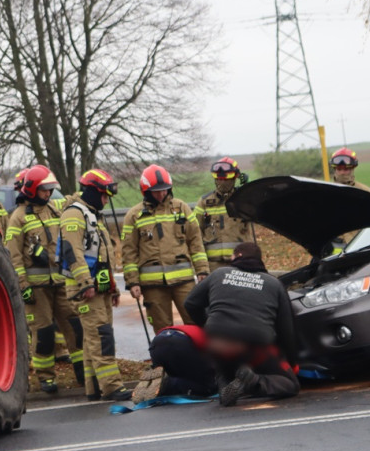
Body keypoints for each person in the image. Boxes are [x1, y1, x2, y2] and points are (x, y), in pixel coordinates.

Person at [183, 242, 300, 407]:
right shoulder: (274, 283)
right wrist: (292, 362)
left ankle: (226, 385)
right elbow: (286, 329)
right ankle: (253, 381)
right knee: (290, 384)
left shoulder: (219, 274)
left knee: (224, 364)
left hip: (218, 342)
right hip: (255, 345)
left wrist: (208, 325)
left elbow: (190, 303)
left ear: (238, 256)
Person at [6, 165, 83, 393]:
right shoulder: (18, 218)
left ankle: (83, 371)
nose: (48, 194)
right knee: (44, 332)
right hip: (36, 289)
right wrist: (23, 286)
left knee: (73, 325)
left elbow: (71, 199)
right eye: (44, 190)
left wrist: (88, 188)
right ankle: (45, 377)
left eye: (50, 190)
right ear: (31, 190)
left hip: (60, 283)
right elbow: (14, 256)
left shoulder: (55, 208)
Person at [59, 169, 131, 402]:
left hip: (99, 289)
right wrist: (84, 283)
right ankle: (111, 386)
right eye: (103, 195)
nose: (106, 200)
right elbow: (73, 253)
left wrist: (113, 288)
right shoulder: (74, 214)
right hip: (86, 289)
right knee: (101, 336)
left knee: (93, 339)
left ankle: (94, 388)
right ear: (92, 192)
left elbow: (104, 256)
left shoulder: (92, 214)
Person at [122, 165, 209, 337]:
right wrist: (133, 282)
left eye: (164, 190)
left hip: (184, 281)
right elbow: (129, 252)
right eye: (156, 192)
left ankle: (202, 360)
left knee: (196, 322)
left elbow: (196, 242)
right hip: (152, 285)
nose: (161, 195)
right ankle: (168, 362)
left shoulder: (182, 208)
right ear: (145, 191)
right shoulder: (134, 215)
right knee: (163, 330)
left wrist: (202, 270)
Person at [133, 324, 218, 403]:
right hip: (181, 343)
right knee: (208, 388)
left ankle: (152, 384)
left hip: (157, 343)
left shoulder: (207, 330)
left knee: (180, 374)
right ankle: (167, 385)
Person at [197, 157, 254, 270]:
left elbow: (256, 211)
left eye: (226, 178)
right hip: (213, 265)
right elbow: (195, 233)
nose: (222, 182)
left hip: (241, 261)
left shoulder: (242, 199)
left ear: (235, 177)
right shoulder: (204, 202)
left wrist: (247, 188)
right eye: (219, 178)